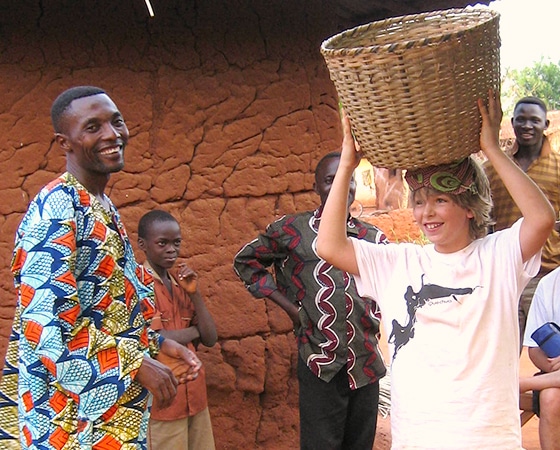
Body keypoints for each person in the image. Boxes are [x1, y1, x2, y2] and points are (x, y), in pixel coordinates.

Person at [316, 90, 555, 449]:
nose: (425, 213)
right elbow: (329, 245)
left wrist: (491, 150)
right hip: (419, 439)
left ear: (470, 207)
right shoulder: (399, 262)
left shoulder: (498, 255)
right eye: (419, 202)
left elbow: (541, 218)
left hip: (488, 441)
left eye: (440, 201)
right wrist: (347, 164)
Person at [0, 86, 201, 450]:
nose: (112, 134)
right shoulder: (57, 211)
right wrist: (135, 365)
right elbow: (45, 328)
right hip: (65, 423)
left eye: (116, 122)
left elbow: (106, 311)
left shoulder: (100, 205)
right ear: (66, 142)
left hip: (102, 421)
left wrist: (156, 345)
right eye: (93, 127)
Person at [233, 152, 388, 450]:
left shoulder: (373, 238)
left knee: (360, 444)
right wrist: (291, 309)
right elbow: (246, 261)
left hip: (366, 363)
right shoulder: (294, 231)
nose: (343, 186)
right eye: (331, 180)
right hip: (320, 362)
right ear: (316, 187)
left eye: (348, 179)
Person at [137, 210, 217, 450]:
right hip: (163, 403)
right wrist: (194, 332)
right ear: (143, 244)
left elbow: (211, 337)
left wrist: (195, 293)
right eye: (162, 243)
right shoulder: (139, 285)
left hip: (194, 396)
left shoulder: (181, 284)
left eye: (176, 243)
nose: (171, 249)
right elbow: (156, 340)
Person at [483, 96, 560, 347]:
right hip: (506, 273)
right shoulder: (492, 169)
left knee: (550, 351)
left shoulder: (558, 166)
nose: (528, 125)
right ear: (512, 122)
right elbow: (484, 219)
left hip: (546, 275)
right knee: (502, 349)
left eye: (534, 120)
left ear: (545, 124)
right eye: (522, 119)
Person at [522, 265, 560, 449]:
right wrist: (553, 365)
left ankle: (522, 384)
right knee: (550, 397)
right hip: (556, 374)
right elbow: (534, 349)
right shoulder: (549, 284)